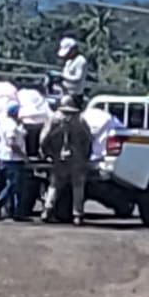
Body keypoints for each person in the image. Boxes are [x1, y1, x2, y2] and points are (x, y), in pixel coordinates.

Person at [43, 94, 92, 225]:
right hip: (77, 158)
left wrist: (45, 152)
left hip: (58, 157)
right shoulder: (80, 119)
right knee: (78, 186)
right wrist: (86, 155)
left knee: (54, 185)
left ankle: (47, 210)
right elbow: (88, 138)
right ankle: (77, 215)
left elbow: (44, 137)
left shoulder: (54, 118)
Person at [0, 101, 28, 221]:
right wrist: (24, 156)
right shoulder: (11, 126)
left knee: (13, 186)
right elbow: (12, 143)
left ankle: (15, 212)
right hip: (13, 159)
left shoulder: (4, 122)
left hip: (5, 158)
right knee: (13, 185)